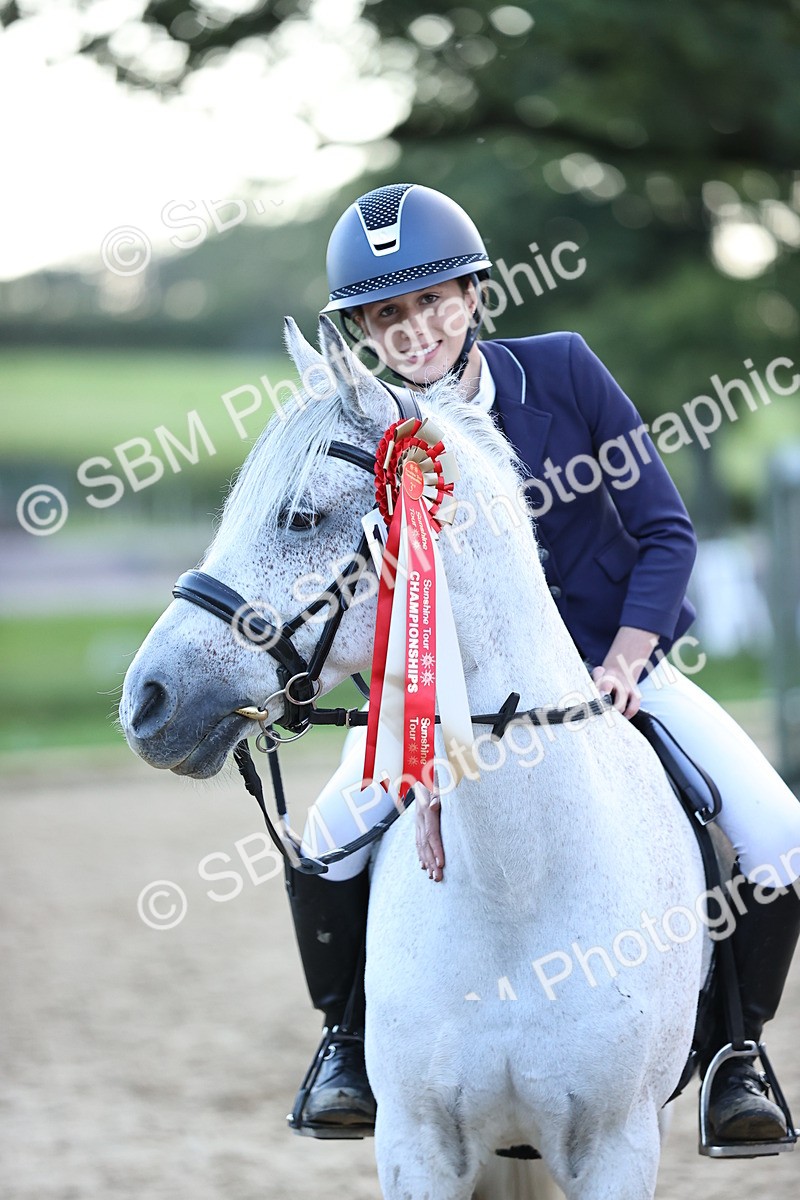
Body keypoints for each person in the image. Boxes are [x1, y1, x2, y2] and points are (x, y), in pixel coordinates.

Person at [284, 183, 800, 1145]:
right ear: (363, 330)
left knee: (779, 831)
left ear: (474, 293)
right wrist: (411, 718)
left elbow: (665, 533)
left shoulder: (562, 373)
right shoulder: (380, 440)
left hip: (617, 666)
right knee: (324, 839)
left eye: (431, 300)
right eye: (385, 315)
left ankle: (737, 1052)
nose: (414, 330)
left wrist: (626, 664)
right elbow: (374, 600)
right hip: (449, 705)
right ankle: (343, 1042)